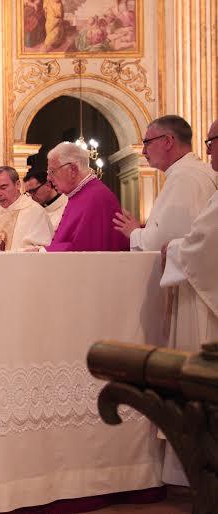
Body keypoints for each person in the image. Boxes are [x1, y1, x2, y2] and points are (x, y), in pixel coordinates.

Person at [157, 119, 218, 487]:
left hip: (201, 299)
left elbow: (202, 245)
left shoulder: (189, 177)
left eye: (212, 141)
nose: (208, 148)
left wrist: (172, 248)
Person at [112, 115, 218, 250]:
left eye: (147, 142)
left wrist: (134, 232)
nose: (144, 151)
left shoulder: (185, 177)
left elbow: (165, 242)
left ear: (168, 141)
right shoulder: (192, 172)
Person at [44, 142, 129, 251]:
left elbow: (86, 249)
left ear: (72, 170)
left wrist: (44, 251)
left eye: (52, 171)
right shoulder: (79, 194)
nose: (49, 178)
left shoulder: (96, 197)